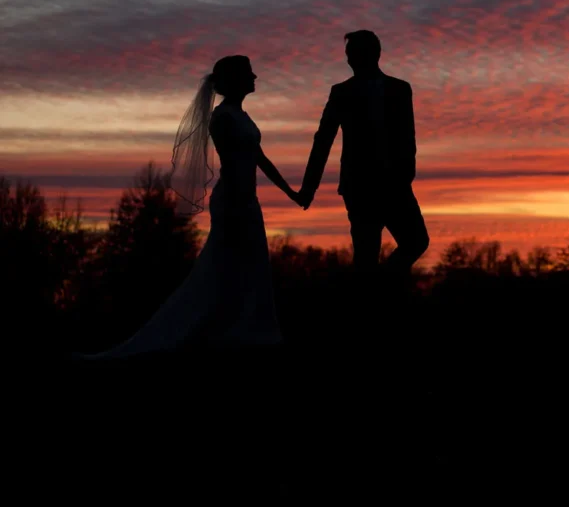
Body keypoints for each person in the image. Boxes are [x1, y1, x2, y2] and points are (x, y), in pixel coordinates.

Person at [78, 55, 298, 359]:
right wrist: (240, 206)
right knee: (227, 266)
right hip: (234, 202)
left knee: (249, 266)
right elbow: (237, 165)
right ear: (235, 79)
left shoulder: (242, 117)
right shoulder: (223, 119)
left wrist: (291, 193)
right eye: (249, 73)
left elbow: (260, 159)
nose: (255, 77)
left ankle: (242, 329)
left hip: (247, 201)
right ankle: (223, 331)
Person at [297, 30, 429, 278]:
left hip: (395, 185)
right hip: (359, 187)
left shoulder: (399, 89)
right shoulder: (341, 92)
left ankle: (376, 291)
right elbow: (323, 140)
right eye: (348, 55)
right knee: (366, 255)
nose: (349, 60)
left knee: (416, 242)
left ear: (372, 54)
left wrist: (405, 176)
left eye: (353, 54)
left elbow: (407, 137)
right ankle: (367, 306)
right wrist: (309, 188)